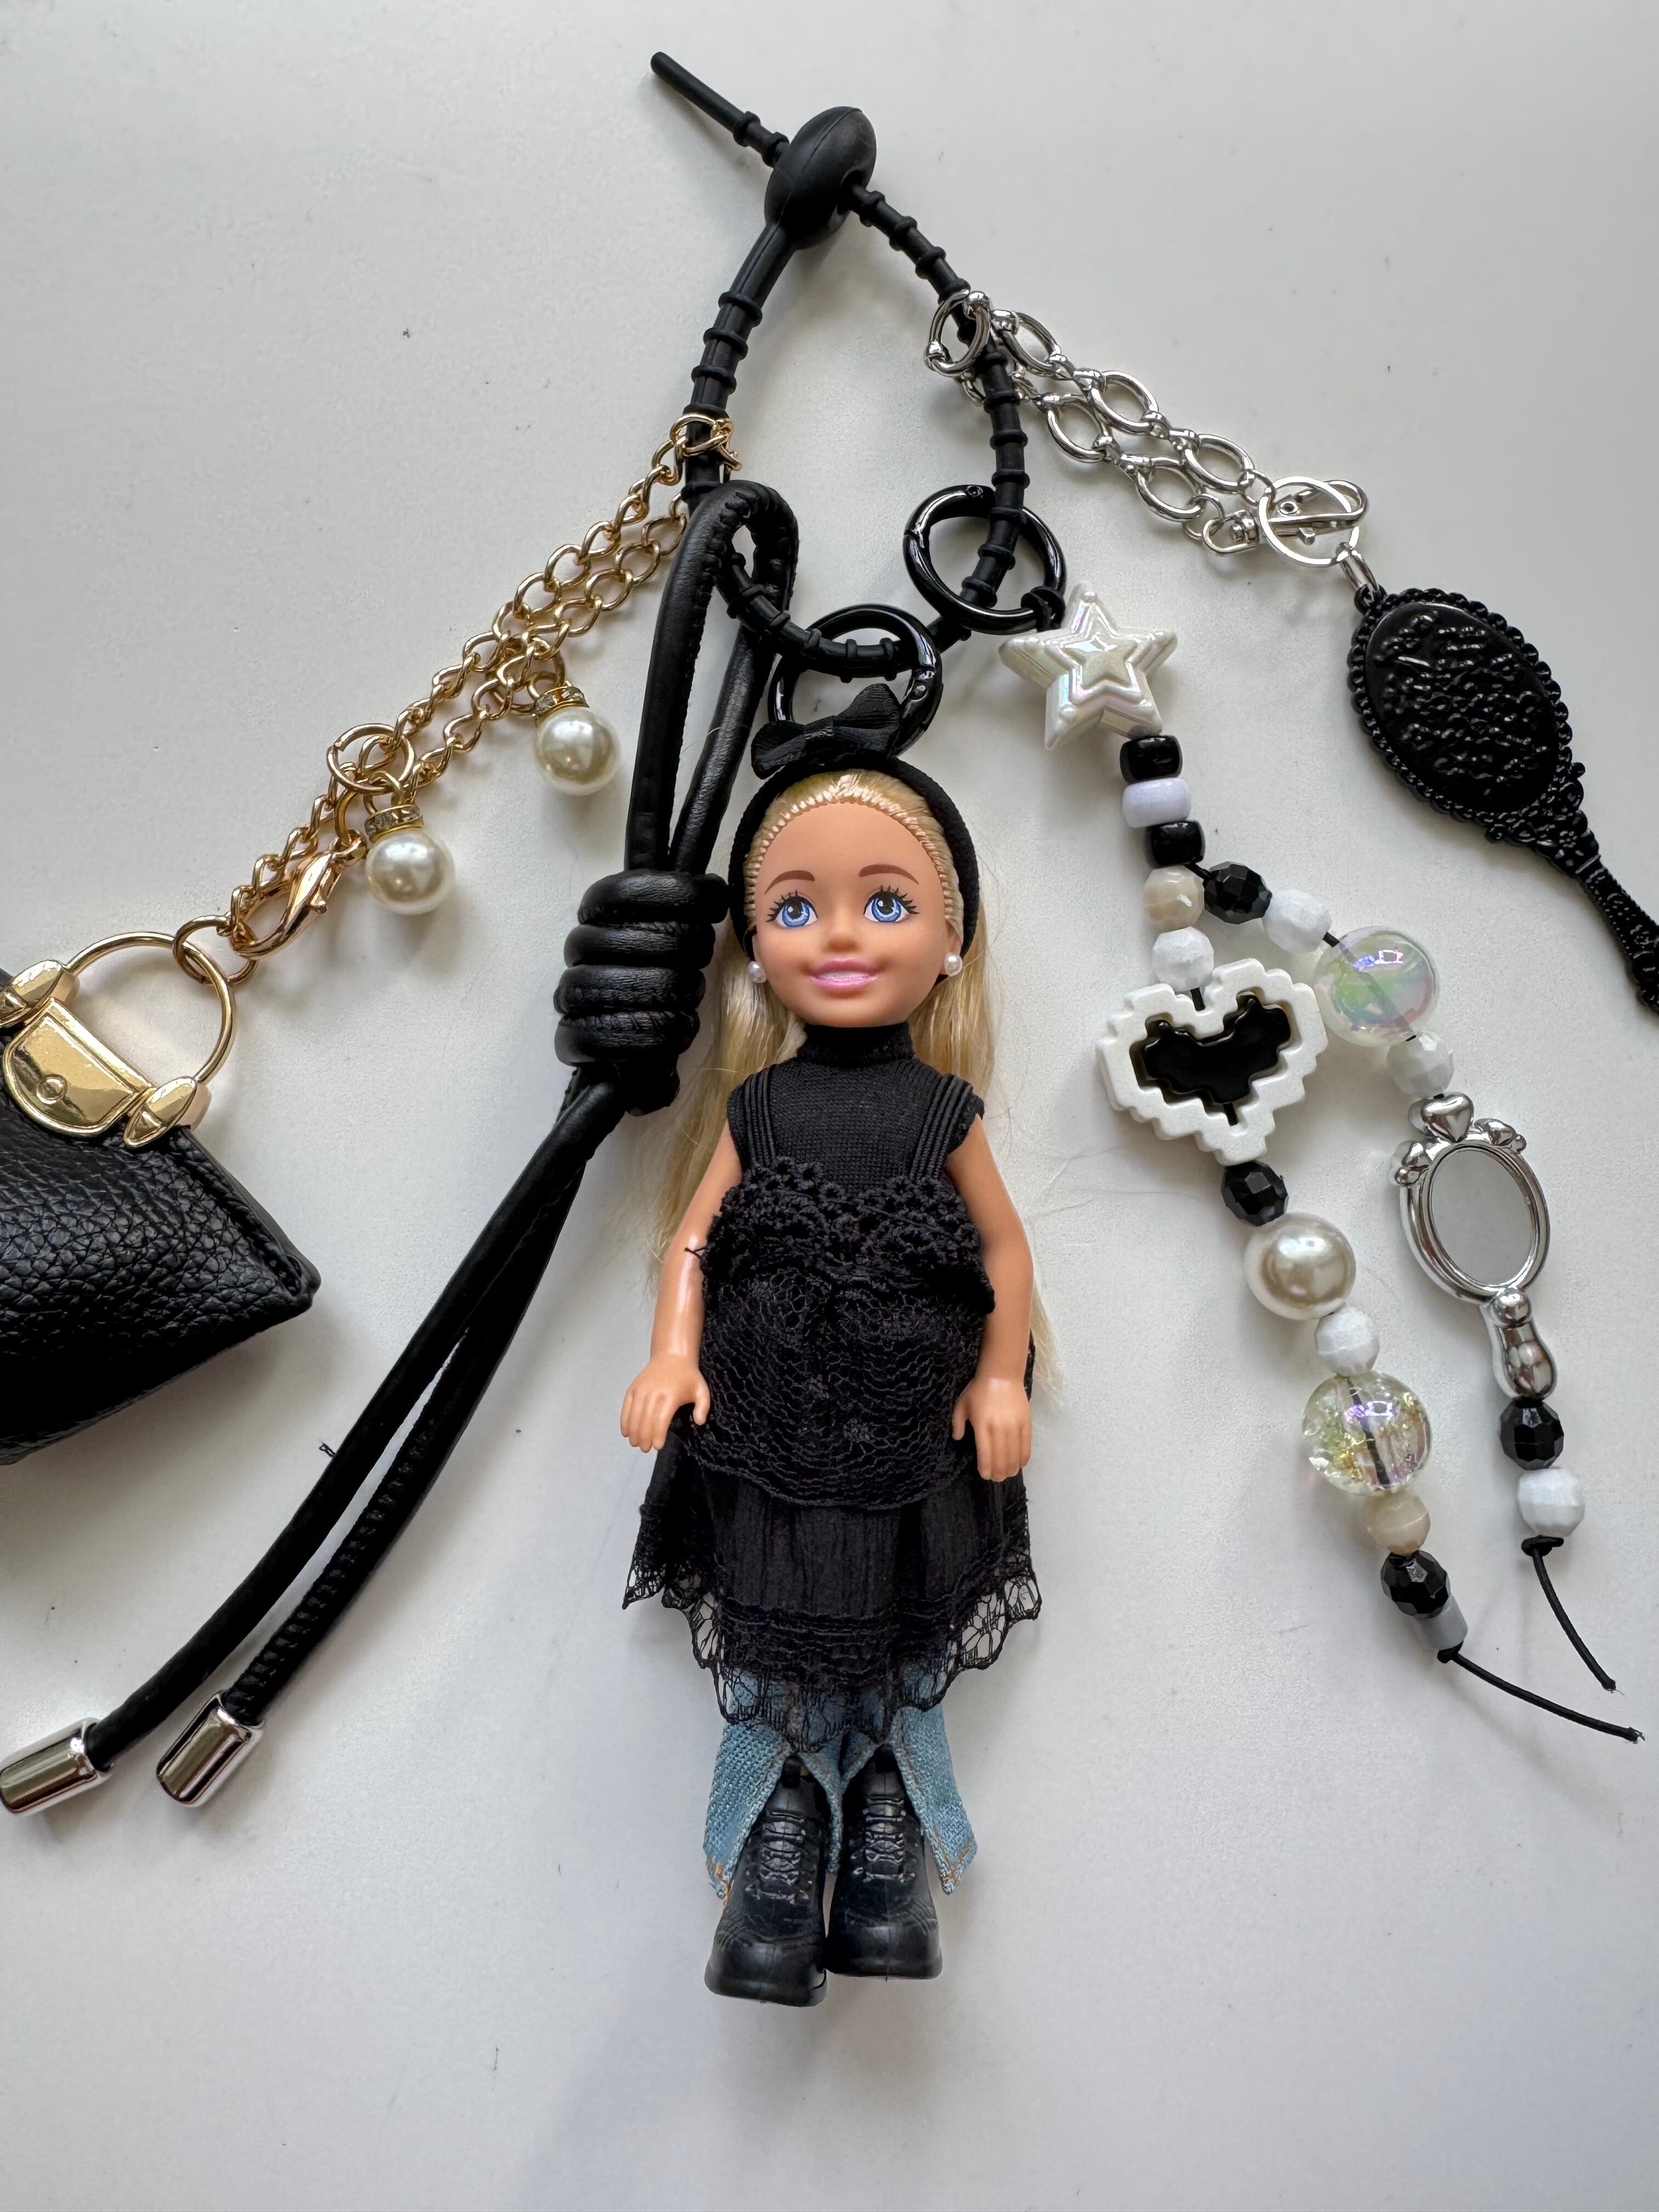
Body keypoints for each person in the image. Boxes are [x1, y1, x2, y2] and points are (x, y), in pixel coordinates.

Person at [622, 688, 1040, 2005]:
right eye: (797, 910)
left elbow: (1005, 1252)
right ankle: (780, 1841)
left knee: (902, 1629)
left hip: (912, 1427)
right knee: (774, 1632)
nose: (842, 936)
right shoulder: (757, 1106)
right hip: (767, 1422)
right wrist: (673, 1355)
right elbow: (695, 1241)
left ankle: (888, 1843)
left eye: (886, 903)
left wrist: (999, 1374)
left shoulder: (944, 1111)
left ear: (953, 943)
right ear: (754, 949)